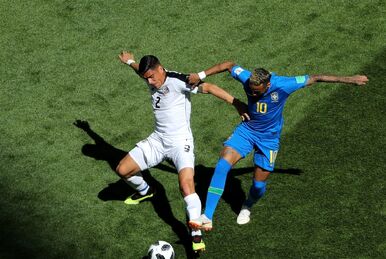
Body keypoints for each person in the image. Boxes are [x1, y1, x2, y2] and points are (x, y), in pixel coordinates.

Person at [187, 61, 368, 231]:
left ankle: (247, 205)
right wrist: (201, 74)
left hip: (269, 140)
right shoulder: (248, 78)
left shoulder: (284, 85)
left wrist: (350, 79)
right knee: (222, 164)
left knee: (258, 186)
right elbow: (229, 65)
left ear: (267, 85)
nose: (253, 95)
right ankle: (207, 216)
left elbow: (316, 77)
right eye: (251, 90)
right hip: (247, 130)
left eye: (257, 92)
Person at [116, 52, 248, 252]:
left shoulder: (178, 81)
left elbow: (210, 88)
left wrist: (237, 104)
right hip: (158, 140)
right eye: (146, 78)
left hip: (180, 143)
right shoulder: (150, 77)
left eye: (152, 76)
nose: (150, 82)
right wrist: (130, 62)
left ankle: (196, 233)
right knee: (123, 169)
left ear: (161, 69)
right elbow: (140, 72)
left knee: (186, 186)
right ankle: (146, 191)